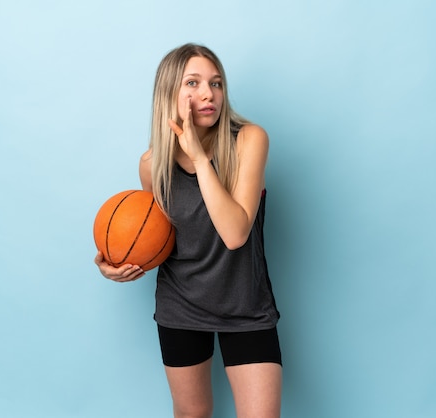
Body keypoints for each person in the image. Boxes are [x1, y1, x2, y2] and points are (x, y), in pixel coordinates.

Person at [95, 43, 282, 418]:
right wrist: (115, 261)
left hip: (245, 304)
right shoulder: (152, 166)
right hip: (181, 306)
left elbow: (235, 233)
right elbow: (157, 238)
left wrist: (198, 158)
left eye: (215, 83)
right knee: (192, 413)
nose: (207, 93)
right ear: (170, 94)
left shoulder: (249, 140)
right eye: (192, 83)